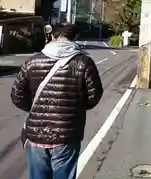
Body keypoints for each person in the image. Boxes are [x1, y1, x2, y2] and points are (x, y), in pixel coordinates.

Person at [11, 23, 103, 179]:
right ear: (75, 38)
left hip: (36, 133)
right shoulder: (84, 62)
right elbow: (94, 95)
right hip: (67, 133)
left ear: (52, 37)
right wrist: (75, 109)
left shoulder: (32, 61)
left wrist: (36, 110)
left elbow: (17, 95)